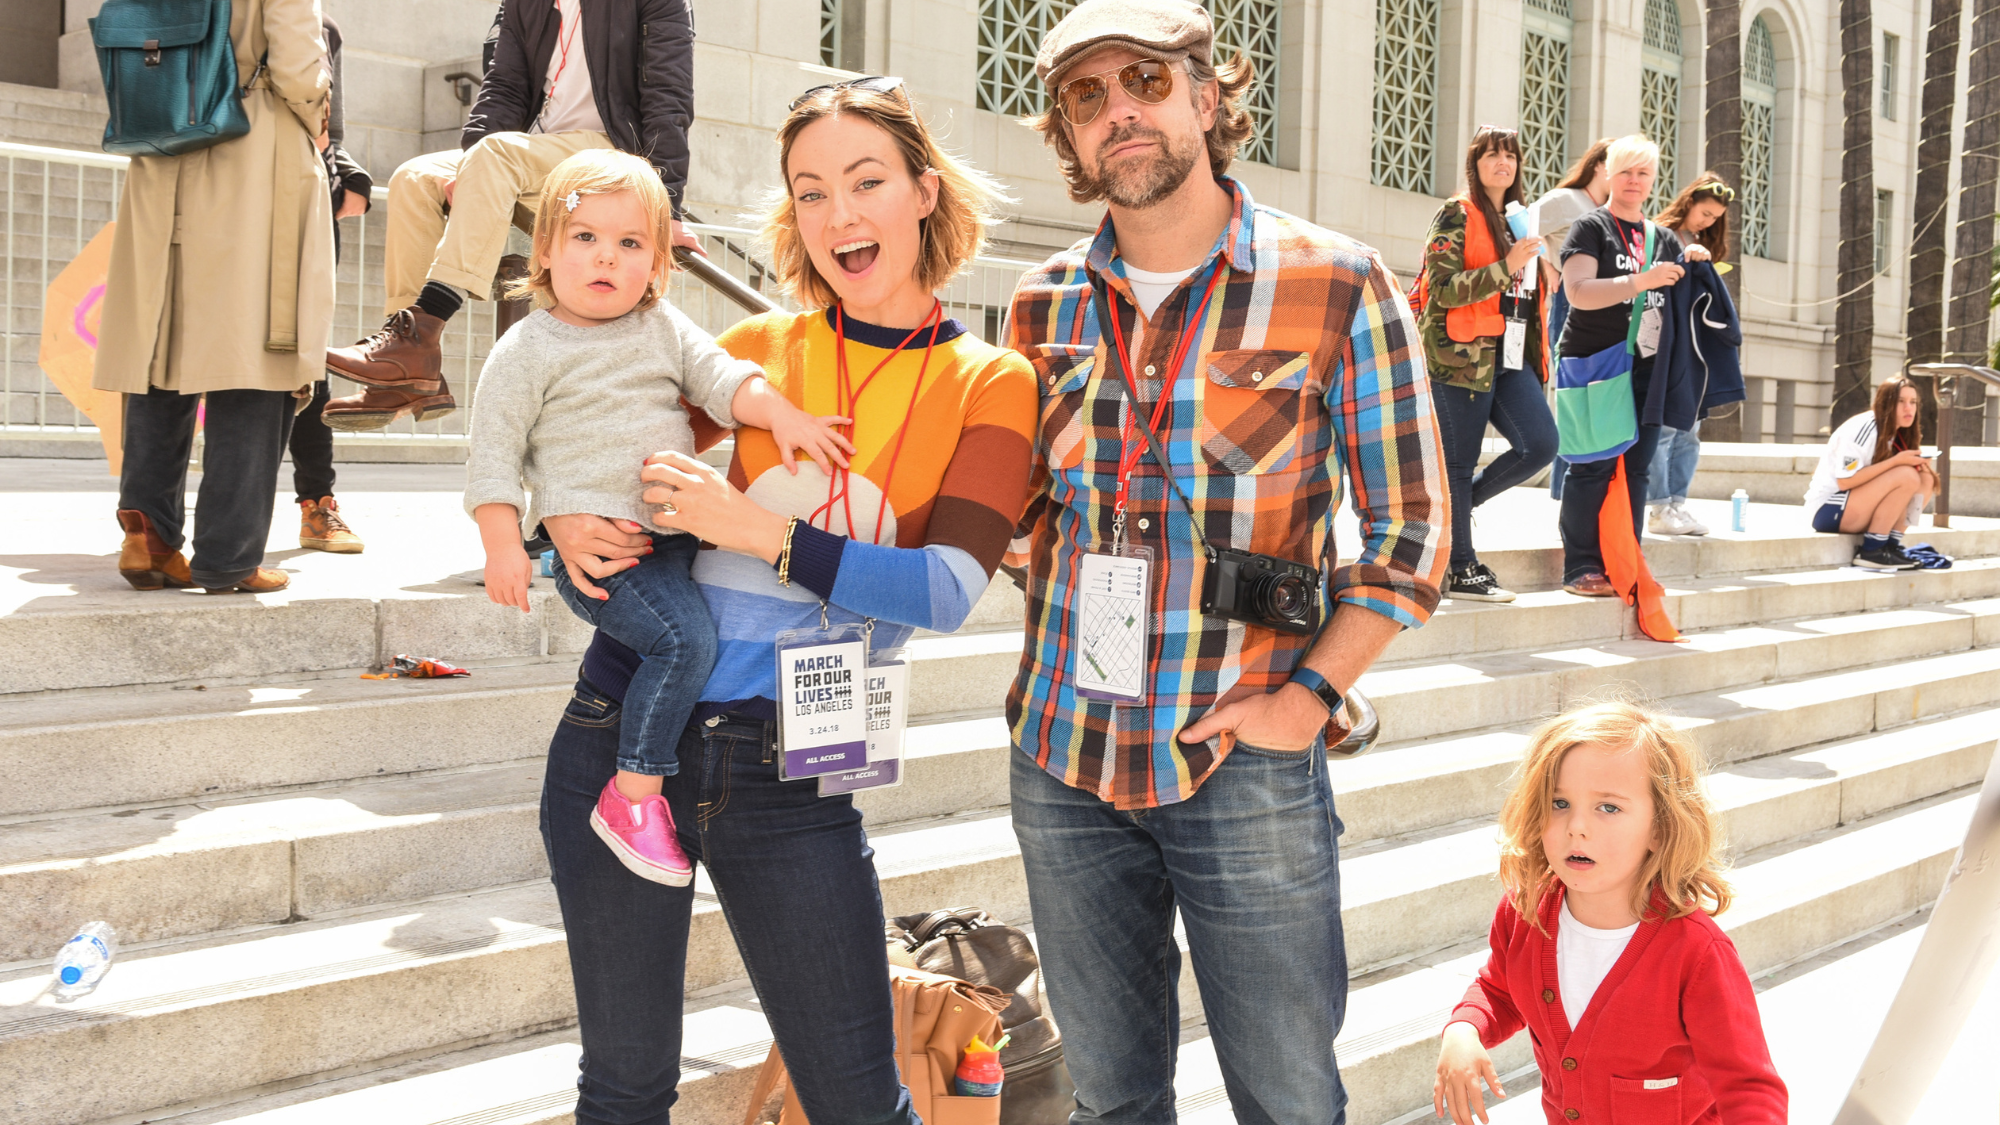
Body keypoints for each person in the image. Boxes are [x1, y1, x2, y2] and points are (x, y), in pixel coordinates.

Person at [533, 80, 1037, 1124]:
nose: (838, 215)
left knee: (859, 1101)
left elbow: (945, 591)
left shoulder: (987, 381)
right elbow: (599, 468)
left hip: (787, 769)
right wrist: (557, 529)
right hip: (624, 729)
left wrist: (758, 530)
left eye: (865, 183)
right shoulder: (749, 357)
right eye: (810, 193)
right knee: (620, 1092)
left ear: (923, 194)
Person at [1005, 1, 1448, 1120]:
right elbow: (1021, 518)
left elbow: (1410, 533)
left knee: (1288, 1098)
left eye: (1145, 84)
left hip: (1242, 754)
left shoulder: (1337, 284)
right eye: (1087, 98)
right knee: (1108, 1099)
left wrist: (1307, 697)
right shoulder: (1040, 302)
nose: (1120, 114)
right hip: (1063, 751)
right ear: (1067, 137)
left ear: (1207, 97)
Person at [467, 149, 851, 884]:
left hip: (677, 540)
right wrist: (503, 545)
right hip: (607, 557)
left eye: (630, 243)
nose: (606, 257)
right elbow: (492, 456)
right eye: (585, 238)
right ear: (545, 249)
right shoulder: (527, 348)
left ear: (658, 264)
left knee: (712, 627)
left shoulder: (662, 327)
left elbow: (725, 380)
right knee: (682, 641)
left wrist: (786, 416)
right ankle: (634, 791)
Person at [321, 0, 700, 430]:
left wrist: (665, 202)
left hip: (610, 150)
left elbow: (669, 93)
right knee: (415, 176)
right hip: (537, 152)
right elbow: (503, 85)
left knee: (496, 153)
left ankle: (425, 327)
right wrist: (471, 165)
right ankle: (406, 364)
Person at [1432, 701, 1787, 1125]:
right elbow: (1499, 989)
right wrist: (1464, 1028)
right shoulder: (1522, 912)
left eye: (1609, 807)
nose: (1576, 826)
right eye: (1559, 803)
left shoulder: (1697, 953)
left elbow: (1748, 1089)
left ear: (1660, 828)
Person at [96, 0, 331, 595]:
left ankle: (146, 535)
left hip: (164, 134)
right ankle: (229, 556)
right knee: (254, 352)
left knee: (162, 347)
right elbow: (300, 64)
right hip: (252, 145)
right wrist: (317, 120)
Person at [1554, 135, 1710, 598]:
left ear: (1653, 180)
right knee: (1592, 464)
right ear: (1608, 175)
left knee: (1638, 468)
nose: (1634, 181)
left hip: (1648, 369)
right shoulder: (1590, 227)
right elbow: (1578, 292)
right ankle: (1581, 566)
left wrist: (1692, 259)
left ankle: (1625, 557)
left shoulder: (1662, 238)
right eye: (1626, 172)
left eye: (1643, 173)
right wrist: (1640, 280)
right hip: (1594, 362)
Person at [1418, 125, 1556, 603]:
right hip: (1459, 355)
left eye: (1511, 156)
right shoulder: (1458, 213)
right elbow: (1444, 287)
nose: (1503, 163)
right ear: (1475, 163)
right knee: (1457, 462)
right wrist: (1509, 265)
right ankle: (1461, 567)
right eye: (1493, 155)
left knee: (1540, 444)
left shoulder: (1518, 219)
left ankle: (1462, 504)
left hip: (1511, 355)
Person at [293, 14, 373, 554]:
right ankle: (159, 522)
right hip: (230, 195)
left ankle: (317, 504)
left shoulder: (323, 26)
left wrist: (347, 172)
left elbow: (328, 132)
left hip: (309, 201)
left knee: (308, 352)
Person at [1645, 173, 1738, 537]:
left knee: (1690, 430)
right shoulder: (1658, 235)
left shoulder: (1704, 244)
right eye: (1704, 212)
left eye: (1715, 217)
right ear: (1688, 203)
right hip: (1663, 343)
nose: (1707, 221)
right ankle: (1658, 508)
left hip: (1694, 347)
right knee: (1667, 428)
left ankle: (1677, 504)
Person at [1532, 138, 1611, 501]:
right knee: (1571, 394)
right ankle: (1563, 491)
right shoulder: (1567, 201)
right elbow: (1518, 228)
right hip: (1569, 303)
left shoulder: (1610, 212)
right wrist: (1545, 266)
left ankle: (1577, 490)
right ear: (1598, 165)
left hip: (1604, 307)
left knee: (1592, 397)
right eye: (1620, 166)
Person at [1803, 375, 1938, 570]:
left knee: (1925, 478)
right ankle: (1872, 550)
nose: (1909, 408)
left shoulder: (1898, 432)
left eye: (1913, 402)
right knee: (1906, 475)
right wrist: (1896, 462)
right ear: (1885, 403)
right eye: (1901, 401)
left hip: (1854, 508)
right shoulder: (1864, 428)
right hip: (1827, 510)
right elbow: (1845, 481)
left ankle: (1890, 545)